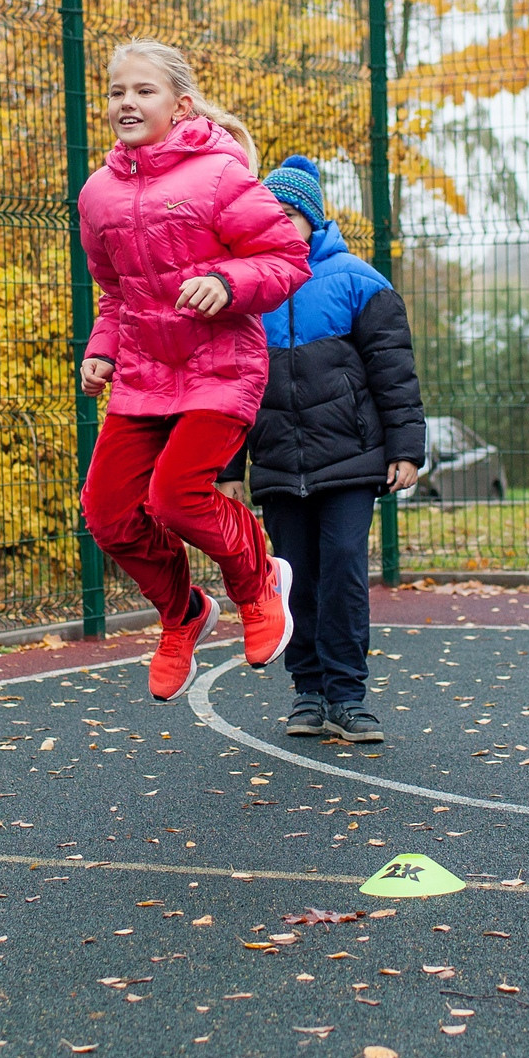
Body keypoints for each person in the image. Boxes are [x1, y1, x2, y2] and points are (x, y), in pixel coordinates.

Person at [77, 41, 311, 702]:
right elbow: (114, 293)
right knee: (108, 512)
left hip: (220, 369)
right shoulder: (97, 196)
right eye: (118, 91)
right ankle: (183, 614)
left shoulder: (218, 175)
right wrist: (104, 349)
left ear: (180, 105)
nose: (127, 102)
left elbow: (287, 258)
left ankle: (257, 580)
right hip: (145, 375)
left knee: (176, 497)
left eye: (143, 91)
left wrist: (225, 279)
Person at [228, 154, 426, 745]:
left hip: (349, 461)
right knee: (296, 579)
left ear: (314, 220)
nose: (280, 225)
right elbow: (228, 385)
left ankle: (348, 694)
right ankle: (307, 692)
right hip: (279, 464)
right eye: (271, 216)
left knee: (342, 571)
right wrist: (227, 468)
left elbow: (395, 374)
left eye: (290, 215)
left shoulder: (359, 282)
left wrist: (406, 448)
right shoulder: (245, 293)